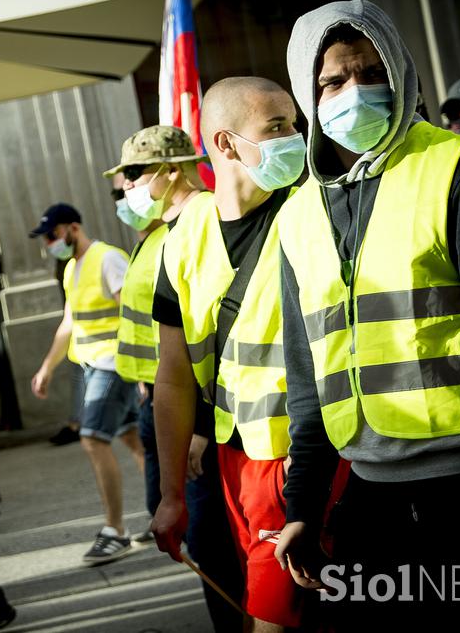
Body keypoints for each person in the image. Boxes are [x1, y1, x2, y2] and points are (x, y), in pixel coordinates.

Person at [273, 0, 460, 630]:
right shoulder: (297, 217)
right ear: (307, 96)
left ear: (401, 72)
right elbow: (309, 381)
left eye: (372, 72)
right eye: (333, 81)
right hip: (371, 496)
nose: (357, 91)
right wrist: (304, 506)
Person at [149, 80, 311, 631]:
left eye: (294, 124)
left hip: (301, 462)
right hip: (232, 463)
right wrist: (173, 496)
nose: (297, 138)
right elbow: (171, 378)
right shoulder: (183, 235)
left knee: (274, 620)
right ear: (226, 142)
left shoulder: (312, 213)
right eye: (277, 128)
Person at [104, 126, 245, 631]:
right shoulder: (158, 231)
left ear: (173, 169)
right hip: (160, 406)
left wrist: (203, 425)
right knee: (194, 538)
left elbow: (214, 333)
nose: (126, 186)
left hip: (198, 417)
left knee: (213, 540)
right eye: (123, 177)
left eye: (135, 174)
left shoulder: (203, 220)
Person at [28, 203, 145, 564]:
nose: (49, 243)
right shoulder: (71, 269)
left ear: (72, 228)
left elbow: (134, 314)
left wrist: (142, 372)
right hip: (92, 366)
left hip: (115, 364)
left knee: (93, 439)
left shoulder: (108, 258)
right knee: (133, 439)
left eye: (52, 235)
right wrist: (47, 366)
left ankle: (116, 531)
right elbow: (69, 323)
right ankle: (172, 509)